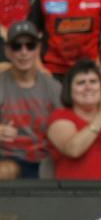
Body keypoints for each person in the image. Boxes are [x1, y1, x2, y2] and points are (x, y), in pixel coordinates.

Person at [0, 21, 61, 180]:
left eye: (30, 45)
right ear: (7, 51)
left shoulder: (54, 87)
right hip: (8, 158)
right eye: (16, 46)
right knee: (6, 170)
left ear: (38, 49)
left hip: (46, 159)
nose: (23, 52)